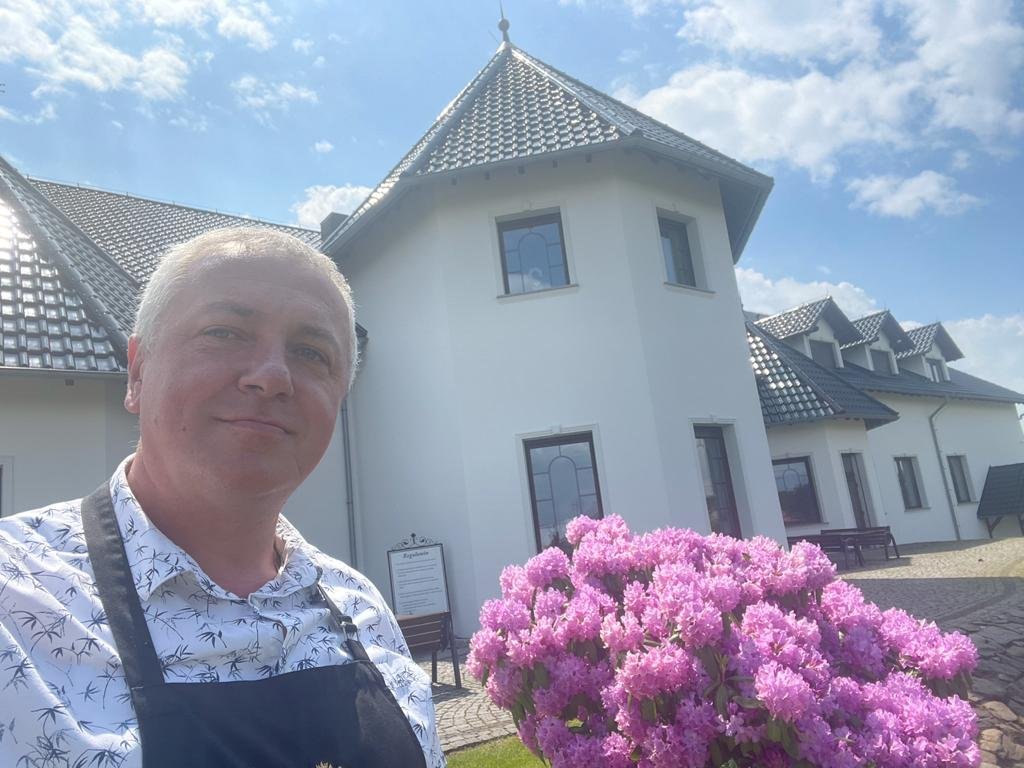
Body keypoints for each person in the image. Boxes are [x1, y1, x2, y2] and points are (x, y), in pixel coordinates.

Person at [0, 228, 444, 767]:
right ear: (138, 372)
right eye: (225, 332)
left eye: (311, 352)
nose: (273, 376)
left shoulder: (361, 607)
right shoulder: (16, 602)